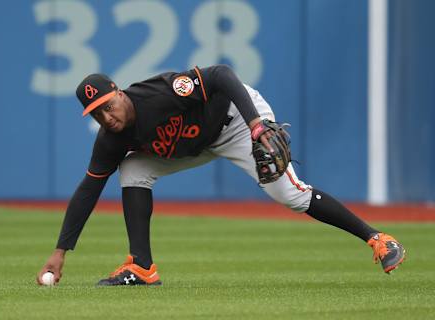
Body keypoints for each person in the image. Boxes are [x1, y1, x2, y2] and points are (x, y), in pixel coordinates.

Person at [36, 65, 405, 286]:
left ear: (118, 93)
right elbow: (88, 190)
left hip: (234, 122)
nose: (107, 117)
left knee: (290, 196)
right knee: (133, 167)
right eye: (97, 114)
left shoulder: (160, 93)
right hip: (195, 144)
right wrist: (59, 252)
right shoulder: (110, 140)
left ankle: (378, 239)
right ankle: (142, 266)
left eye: (108, 106)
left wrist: (256, 124)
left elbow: (222, 76)